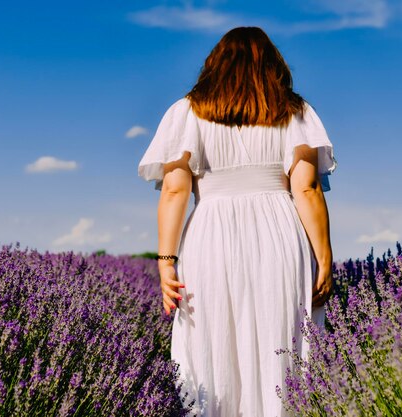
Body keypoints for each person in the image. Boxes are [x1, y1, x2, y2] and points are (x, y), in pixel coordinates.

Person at [138, 26, 337, 417]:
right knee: (282, 342)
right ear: (273, 66)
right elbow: (308, 189)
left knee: (212, 344)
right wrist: (324, 257)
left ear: (215, 65)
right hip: (280, 230)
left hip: (210, 233)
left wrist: (166, 261)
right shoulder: (295, 112)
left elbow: (175, 191)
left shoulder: (186, 112)